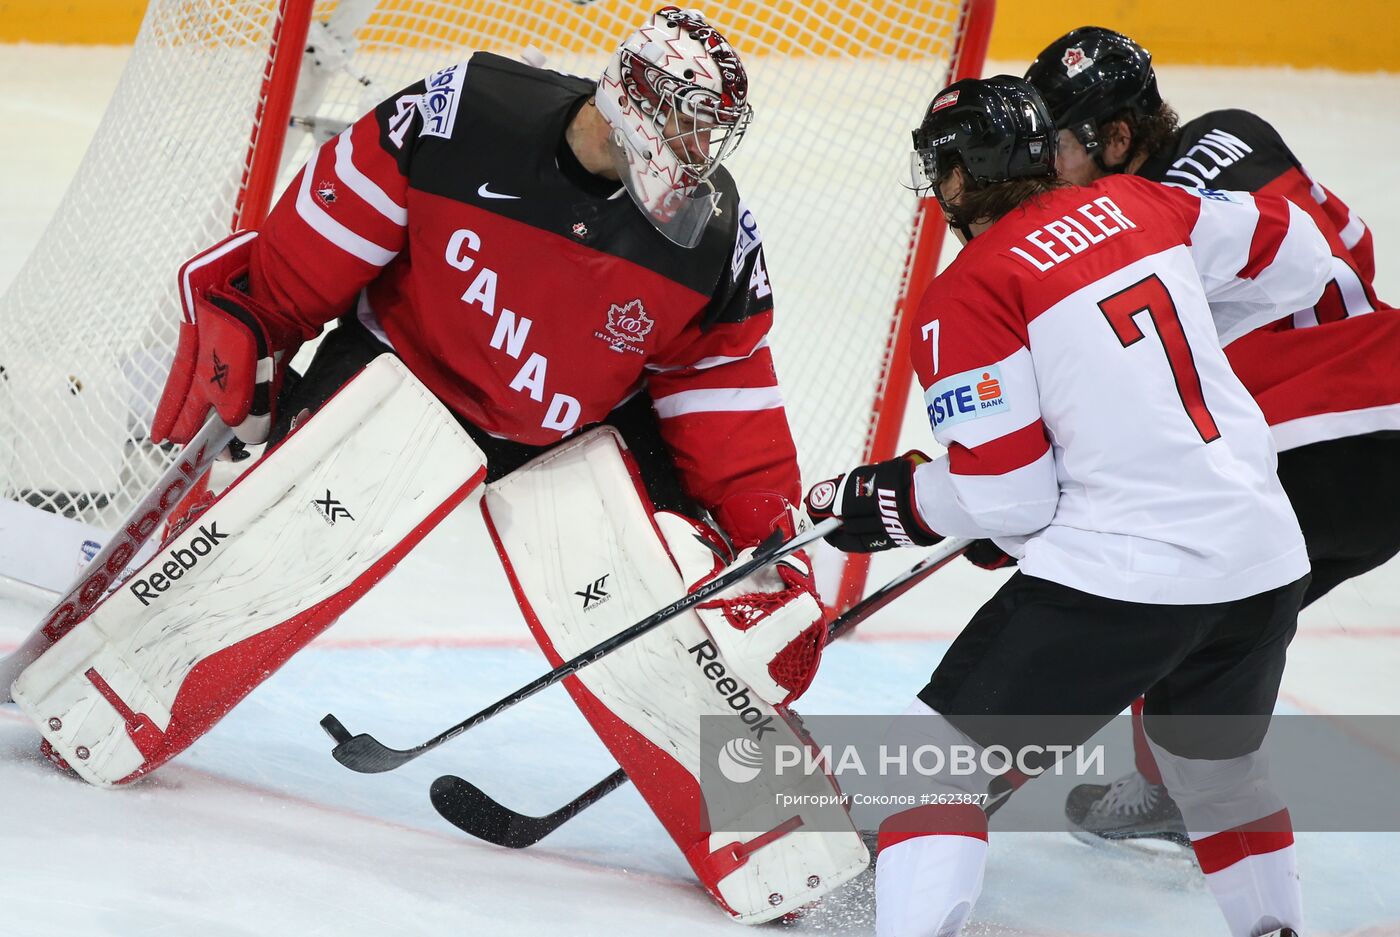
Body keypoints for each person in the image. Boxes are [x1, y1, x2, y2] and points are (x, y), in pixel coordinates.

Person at [13, 7, 871, 923]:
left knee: (666, 634)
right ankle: (96, 709)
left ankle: (794, 851)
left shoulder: (715, 240)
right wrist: (260, 311)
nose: (702, 150)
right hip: (403, 377)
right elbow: (325, 230)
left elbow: (725, 395)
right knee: (266, 554)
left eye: (715, 130)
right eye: (690, 120)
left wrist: (772, 544)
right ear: (634, 98)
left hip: (568, 437)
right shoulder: (465, 118)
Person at [805, 75, 1331, 937]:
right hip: (1263, 558)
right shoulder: (1140, 202)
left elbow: (1009, 498)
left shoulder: (969, 290)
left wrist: (901, 499)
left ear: (960, 179)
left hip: (1132, 575)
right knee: (1218, 775)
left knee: (927, 769)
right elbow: (1303, 253)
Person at [1023, 26, 1400, 846]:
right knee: (1219, 626)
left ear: (1115, 137)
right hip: (1386, 410)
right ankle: (1184, 791)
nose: (1040, 163)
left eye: (1053, 142)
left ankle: (941, 805)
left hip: (1310, 437)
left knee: (1137, 587)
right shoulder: (1241, 131)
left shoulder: (1115, 224)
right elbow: (1355, 250)